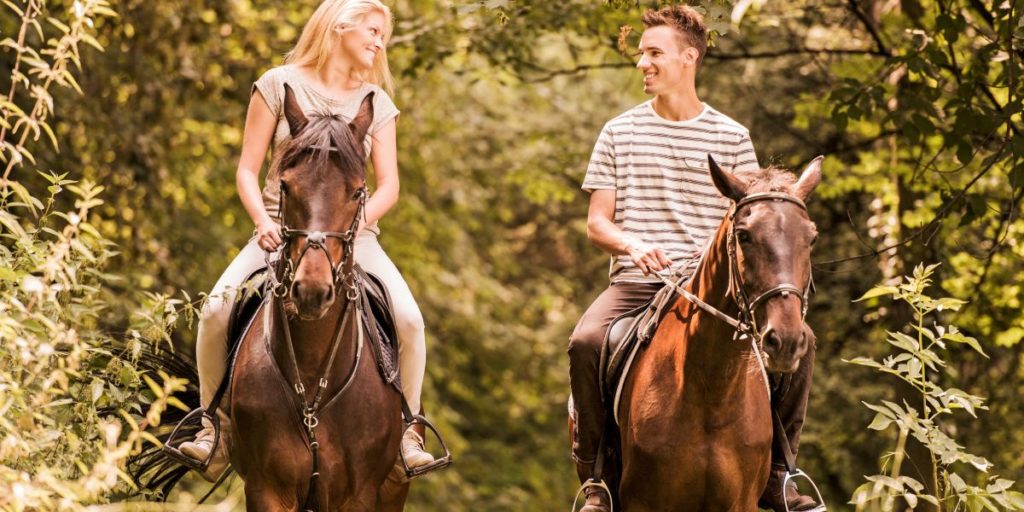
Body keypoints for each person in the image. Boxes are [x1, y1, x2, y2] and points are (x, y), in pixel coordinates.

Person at [567, 5, 820, 512]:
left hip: (716, 288)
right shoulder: (619, 131)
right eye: (641, 54)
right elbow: (598, 222)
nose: (643, 62)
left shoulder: (731, 136)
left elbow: (758, 215)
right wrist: (633, 246)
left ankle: (778, 474)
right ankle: (597, 478)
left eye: (653, 53)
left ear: (689, 58)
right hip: (638, 281)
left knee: (804, 342)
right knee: (585, 341)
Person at [177, 0, 434, 481]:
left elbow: (390, 186)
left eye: (384, 34)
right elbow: (247, 171)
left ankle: (408, 434)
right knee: (214, 310)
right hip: (279, 233)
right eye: (373, 30)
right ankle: (212, 428)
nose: (380, 42)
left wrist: (354, 230)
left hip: (351, 238)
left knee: (410, 321)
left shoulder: (377, 102)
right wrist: (262, 220)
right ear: (340, 26)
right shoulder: (277, 84)